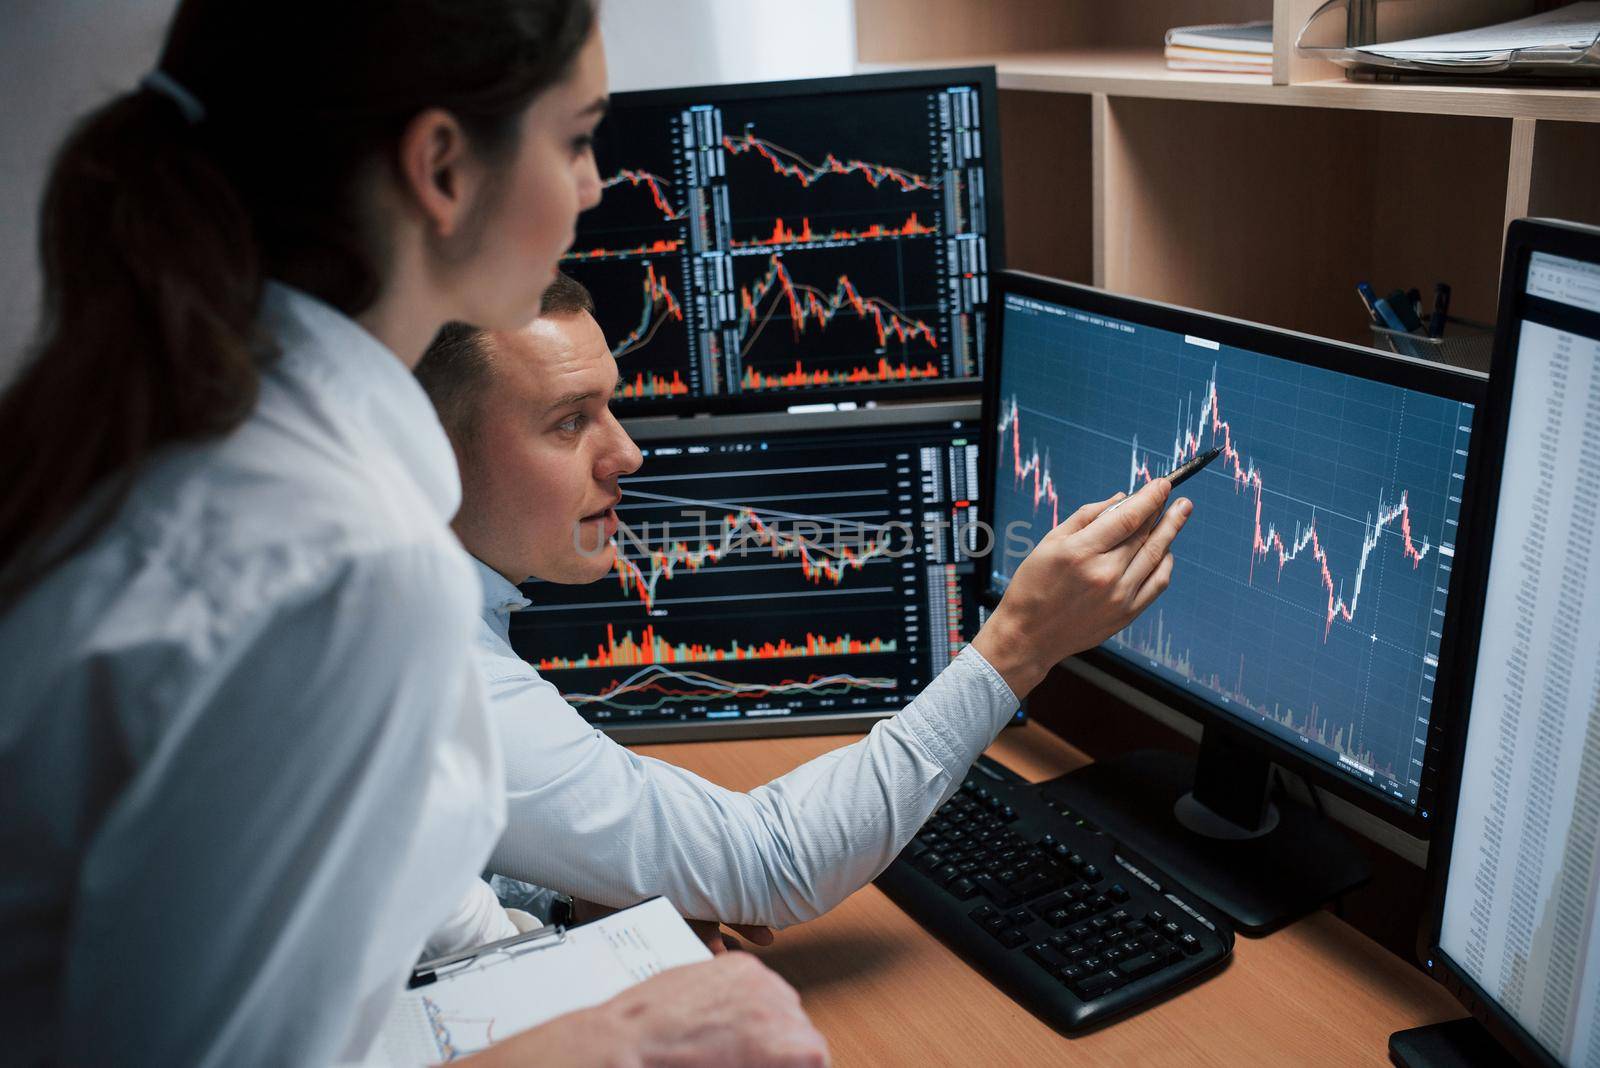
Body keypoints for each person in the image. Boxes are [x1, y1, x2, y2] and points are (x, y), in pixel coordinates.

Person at [0, 2, 828, 1065]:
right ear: (442, 168)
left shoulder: (166, 421)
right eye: (576, 139)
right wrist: (627, 1038)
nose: (593, 187)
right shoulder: (344, 558)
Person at [411, 273, 1191, 950]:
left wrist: (575, 896)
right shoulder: (437, 671)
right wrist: (1020, 645)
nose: (627, 455)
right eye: (569, 421)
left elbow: (445, 874)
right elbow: (772, 862)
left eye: (609, 408)